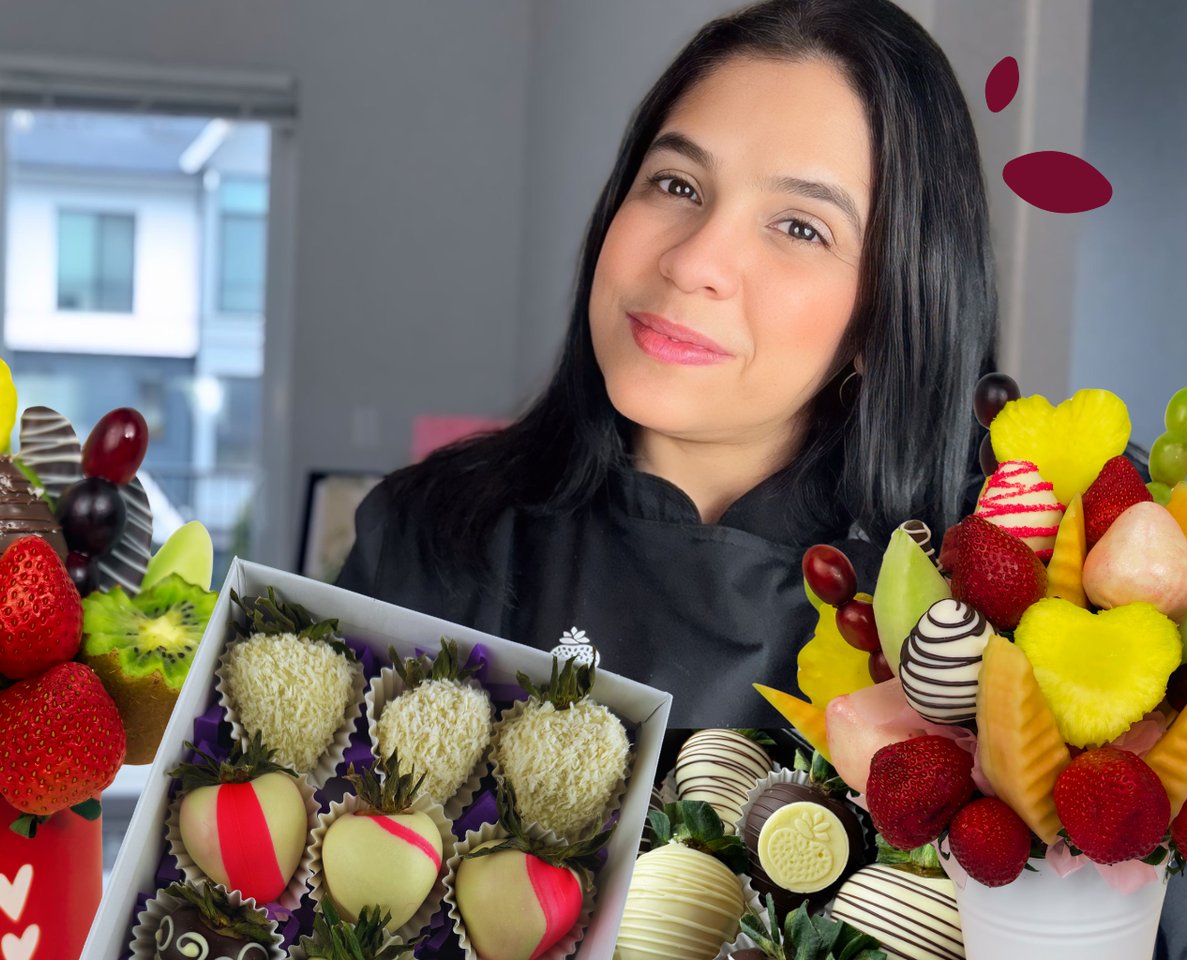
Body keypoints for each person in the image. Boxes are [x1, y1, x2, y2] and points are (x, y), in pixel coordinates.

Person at [335, 0, 997, 728]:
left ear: (891, 311)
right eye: (677, 184)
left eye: (801, 227)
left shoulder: (988, 607)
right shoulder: (426, 539)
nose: (692, 262)